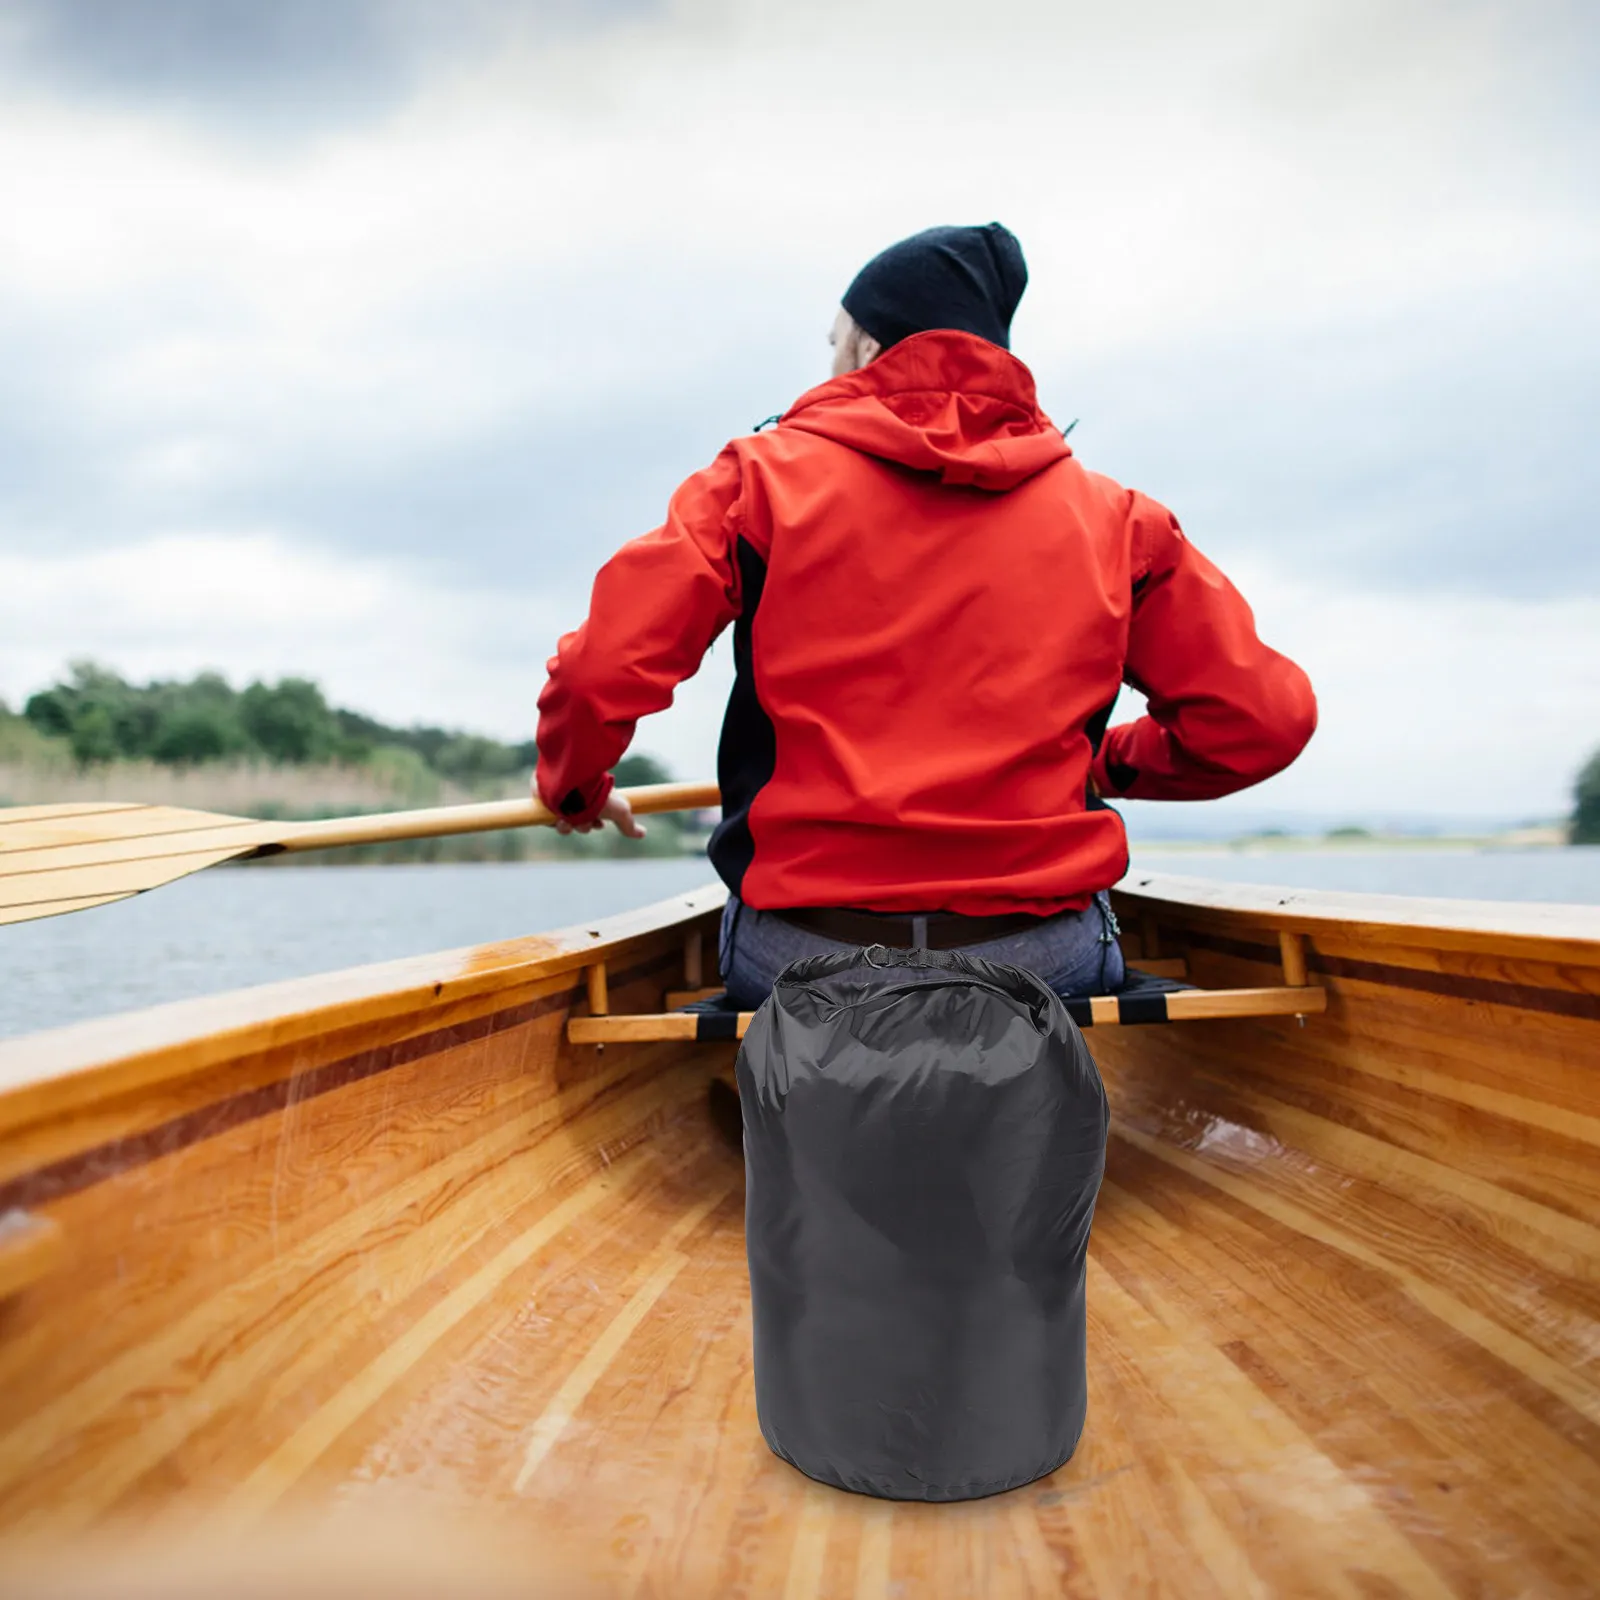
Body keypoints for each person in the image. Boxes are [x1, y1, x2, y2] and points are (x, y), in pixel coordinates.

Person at [535, 223, 1316, 1007]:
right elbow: (1262, 720)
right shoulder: (1119, 521)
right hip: (1039, 957)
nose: (831, 363)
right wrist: (1102, 763)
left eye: (835, 343)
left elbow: (603, 671)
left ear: (869, 350)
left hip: (808, 954)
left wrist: (577, 786)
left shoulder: (756, 484)